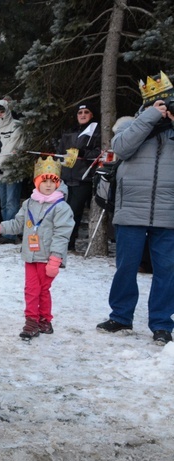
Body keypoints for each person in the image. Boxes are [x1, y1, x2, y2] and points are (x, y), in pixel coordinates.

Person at [96, 71, 174, 346]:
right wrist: (151, 117)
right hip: (131, 209)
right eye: (157, 102)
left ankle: (163, 324)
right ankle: (120, 316)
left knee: (166, 270)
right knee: (126, 267)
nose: (163, 106)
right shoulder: (132, 124)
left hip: (168, 212)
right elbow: (121, 148)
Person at [0, 157, 74, 339]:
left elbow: (62, 234)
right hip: (30, 256)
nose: (48, 185)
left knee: (41, 290)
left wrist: (55, 258)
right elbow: (18, 223)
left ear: (57, 183)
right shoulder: (29, 203)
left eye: (52, 181)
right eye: (44, 181)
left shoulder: (61, 207)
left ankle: (39, 321)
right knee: (32, 289)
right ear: (37, 182)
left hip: (47, 258)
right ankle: (37, 321)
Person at [58, 101, 102, 251]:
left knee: (73, 212)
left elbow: (99, 153)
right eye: (80, 113)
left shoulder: (97, 131)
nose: (82, 115)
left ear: (92, 115)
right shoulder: (70, 131)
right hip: (66, 177)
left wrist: (83, 153)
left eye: (86, 112)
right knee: (63, 211)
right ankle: (61, 242)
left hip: (83, 178)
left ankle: (69, 243)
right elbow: (60, 152)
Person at [0, 99, 26, 244]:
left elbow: (12, 148)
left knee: (12, 202)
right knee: (3, 203)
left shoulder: (16, 126)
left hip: (12, 170)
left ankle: (11, 234)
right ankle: (4, 231)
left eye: (2, 111)